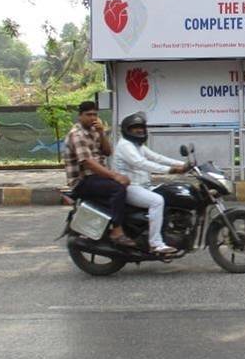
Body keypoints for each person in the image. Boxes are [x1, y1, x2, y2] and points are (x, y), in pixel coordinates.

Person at [113, 112, 190, 256]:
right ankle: (156, 244)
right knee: (157, 201)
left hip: (143, 186)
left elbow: (157, 157)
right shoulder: (125, 145)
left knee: (169, 194)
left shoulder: (137, 146)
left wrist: (184, 165)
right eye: (135, 128)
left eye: (141, 127)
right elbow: (141, 163)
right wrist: (171, 170)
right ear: (127, 130)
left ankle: (166, 232)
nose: (139, 130)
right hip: (130, 187)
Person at [64, 101, 136, 247]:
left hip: (96, 177)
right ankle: (117, 231)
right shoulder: (76, 134)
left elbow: (108, 152)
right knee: (117, 188)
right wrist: (115, 176)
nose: (92, 118)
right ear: (80, 116)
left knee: (128, 185)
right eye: (88, 115)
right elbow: (88, 163)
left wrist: (102, 133)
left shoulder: (95, 131)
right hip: (83, 180)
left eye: (94, 115)